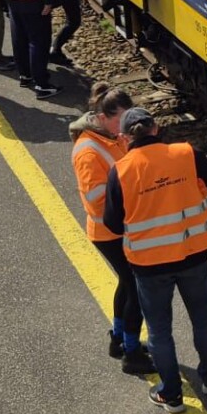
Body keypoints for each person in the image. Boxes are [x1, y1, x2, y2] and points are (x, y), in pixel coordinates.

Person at [101, 107, 207, 413]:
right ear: (156, 128)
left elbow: (113, 223)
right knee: (203, 316)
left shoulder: (121, 170)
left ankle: (171, 395)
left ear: (126, 137)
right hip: (193, 255)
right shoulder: (184, 154)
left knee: (159, 330)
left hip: (150, 265)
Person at [71, 87, 149, 374]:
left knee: (126, 284)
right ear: (103, 118)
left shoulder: (109, 136)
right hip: (111, 231)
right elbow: (95, 202)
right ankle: (131, 354)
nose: (126, 126)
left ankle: (118, 340)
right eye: (121, 120)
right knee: (136, 290)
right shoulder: (88, 152)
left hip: (117, 228)